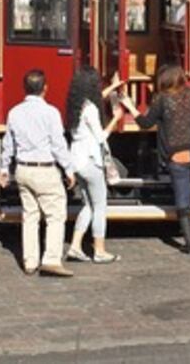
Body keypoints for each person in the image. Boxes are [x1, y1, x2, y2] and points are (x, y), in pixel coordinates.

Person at [0, 69, 77, 277]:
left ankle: (30, 261)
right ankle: (51, 259)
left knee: (30, 216)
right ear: (45, 88)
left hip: (23, 168)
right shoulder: (51, 113)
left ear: (25, 88)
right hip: (45, 169)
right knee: (55, 215)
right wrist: (68, 169)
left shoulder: (14, 112)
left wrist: (4, 169)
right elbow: (58, 144)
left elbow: (8, 144)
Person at [120, 64, 190, 254]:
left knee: (182, 200)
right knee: (185, 180)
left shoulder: (162, 100)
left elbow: (145, 123)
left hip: (177, 156)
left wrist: (131, 106)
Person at [64, 67, 126, 264]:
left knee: (88, 205)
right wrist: (115, 119)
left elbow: (98, 96)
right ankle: (99, 250)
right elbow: (100, 137)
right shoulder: (90, 109)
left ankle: (75, 246)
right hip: (92, 162)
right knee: (100, 206)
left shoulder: (76, 105)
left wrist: (114, 86)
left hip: (77, 162)